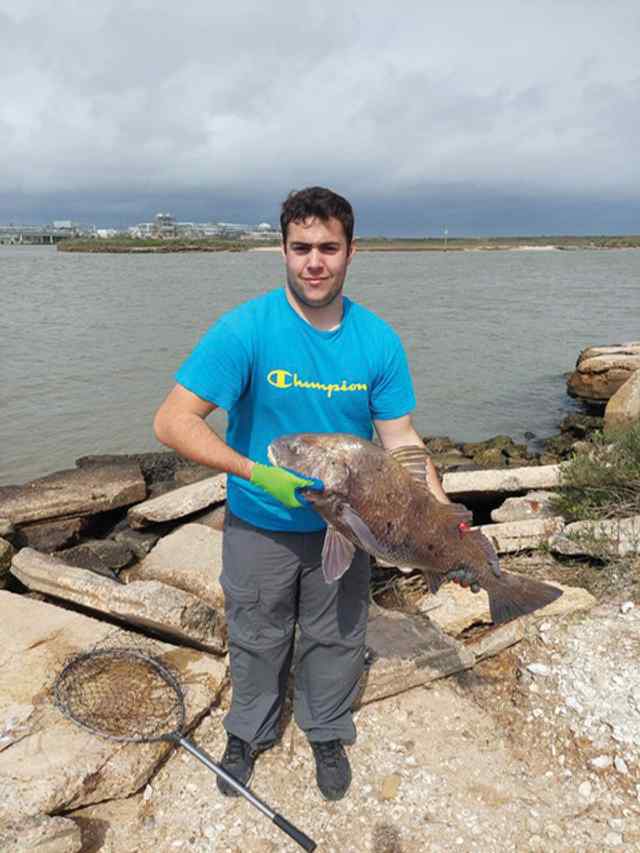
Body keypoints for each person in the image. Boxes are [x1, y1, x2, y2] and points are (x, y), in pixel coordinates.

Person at [153, 186, 450, 801]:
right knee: (257, 631)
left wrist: (441, 515)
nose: (314, 261)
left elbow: (402, 441)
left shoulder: (377, 340)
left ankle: (325, 727)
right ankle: (248, 731)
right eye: (301, 248)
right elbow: (172, 422)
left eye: (328, 248)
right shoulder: (244, 330)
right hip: (259, 521)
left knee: (337, 634)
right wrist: (256, 472)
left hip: (350, 525)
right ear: (283, 251)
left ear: (350, 252)